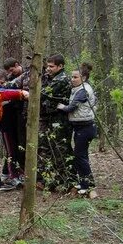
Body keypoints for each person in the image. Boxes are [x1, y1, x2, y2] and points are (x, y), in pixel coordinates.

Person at [57, 63, 97, 194]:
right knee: (79, 155)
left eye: (75, 77)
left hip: (86, 127)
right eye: (72, 77)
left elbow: (71, 107)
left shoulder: (83, 91)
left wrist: (62, 107)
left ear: (83, 78)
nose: (72, 79)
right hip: (80, 127)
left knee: (80, 156)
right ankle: (83, 183)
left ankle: (88, 185)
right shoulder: (78, 89)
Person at [38, 54, 76, 191]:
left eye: (51, 66)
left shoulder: (61, 79)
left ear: (60, 66)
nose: (48, 69)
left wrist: (25, 94)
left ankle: (70, 181)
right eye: (47, 66)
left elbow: (42, 94)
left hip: (61, 119)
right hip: (51, 118)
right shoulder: (51, 77)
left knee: (62, 149)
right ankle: (59, 179)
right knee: (53, 149)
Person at [0, 58, 26, 184]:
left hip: (20, 118)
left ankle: (18, 172)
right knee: (11, 148)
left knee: (20, 147)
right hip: (8, 119)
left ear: (17, 65)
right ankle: (11, 174)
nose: (11, 73)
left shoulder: (26, 75)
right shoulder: (8, 81)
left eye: (12, 70)